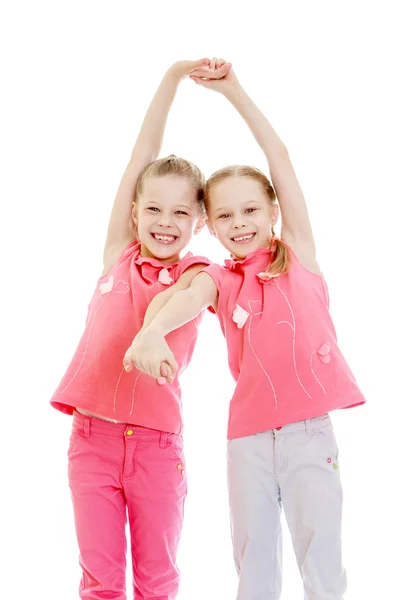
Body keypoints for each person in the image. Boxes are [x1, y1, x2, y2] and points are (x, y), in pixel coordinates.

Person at [124, 59, 366, 600]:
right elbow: (184, 299)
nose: (241, 224)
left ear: (274, 210)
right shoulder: (216, 278)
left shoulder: (299, 255)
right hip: (247, 439)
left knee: (320, 553)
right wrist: (150, 332)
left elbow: (279, 159)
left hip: (309, 434)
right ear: (208, 223)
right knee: (253, 561)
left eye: (251, 210)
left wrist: (234, 92)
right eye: (226, 216)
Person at [50, 58, 231, 600]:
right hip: (92, 439)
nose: (165, 222)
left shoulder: (199, 273)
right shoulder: (118, 256)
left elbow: (183, 303)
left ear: (199, 223)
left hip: (157, 446)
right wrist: (173, 77)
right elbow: (140, 158)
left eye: (181, 213)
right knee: (100, 582)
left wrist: (151, 332)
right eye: (153, 208)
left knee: (157, 580)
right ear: (134, 211)